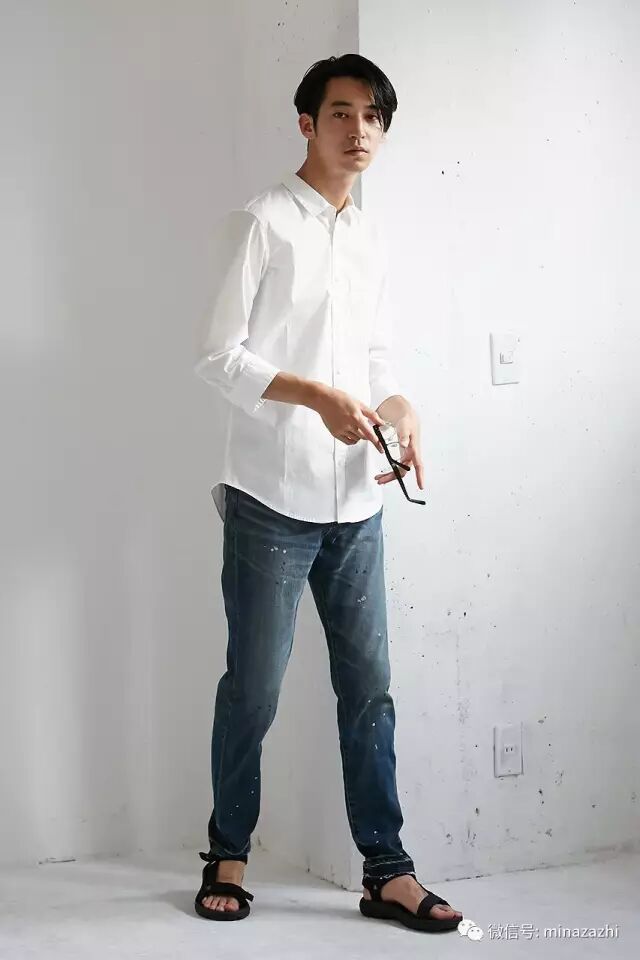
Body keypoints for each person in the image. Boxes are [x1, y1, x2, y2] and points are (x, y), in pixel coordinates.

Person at [192, 53, 463, 933]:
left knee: (370, 689)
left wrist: (400, 407)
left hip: (358, 501)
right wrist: (314, 396)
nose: (360, 131)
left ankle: (387, 870)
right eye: (342, 113)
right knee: (255, 689)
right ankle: (228, 851)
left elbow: (375, 359)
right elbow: (218, 356)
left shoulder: (370, 235)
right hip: (272, 495)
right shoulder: (263, 221)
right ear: (306, 123)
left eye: (374, 117)